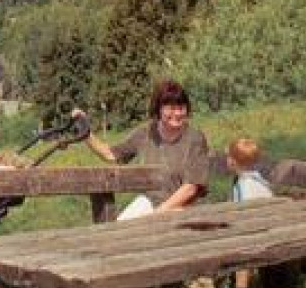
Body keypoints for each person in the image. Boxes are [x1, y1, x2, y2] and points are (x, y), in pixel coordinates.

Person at [83, 80, 211, 213]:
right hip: (150, 203)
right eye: (171, 108)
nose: (177, 113)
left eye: (181, 108)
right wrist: (86, 134)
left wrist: (160, 212)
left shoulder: (195, 139)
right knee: (118, 229)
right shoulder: (146, 132)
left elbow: (191, 187)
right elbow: (111, 154)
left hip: (186, 208)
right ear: (159, 109)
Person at [226, 137, 275, 288]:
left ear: (232, 161)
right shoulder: (260, 181)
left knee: (241, 248)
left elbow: (242, 215)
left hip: (255, 232)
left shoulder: (244, 185)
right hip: (270, 227)